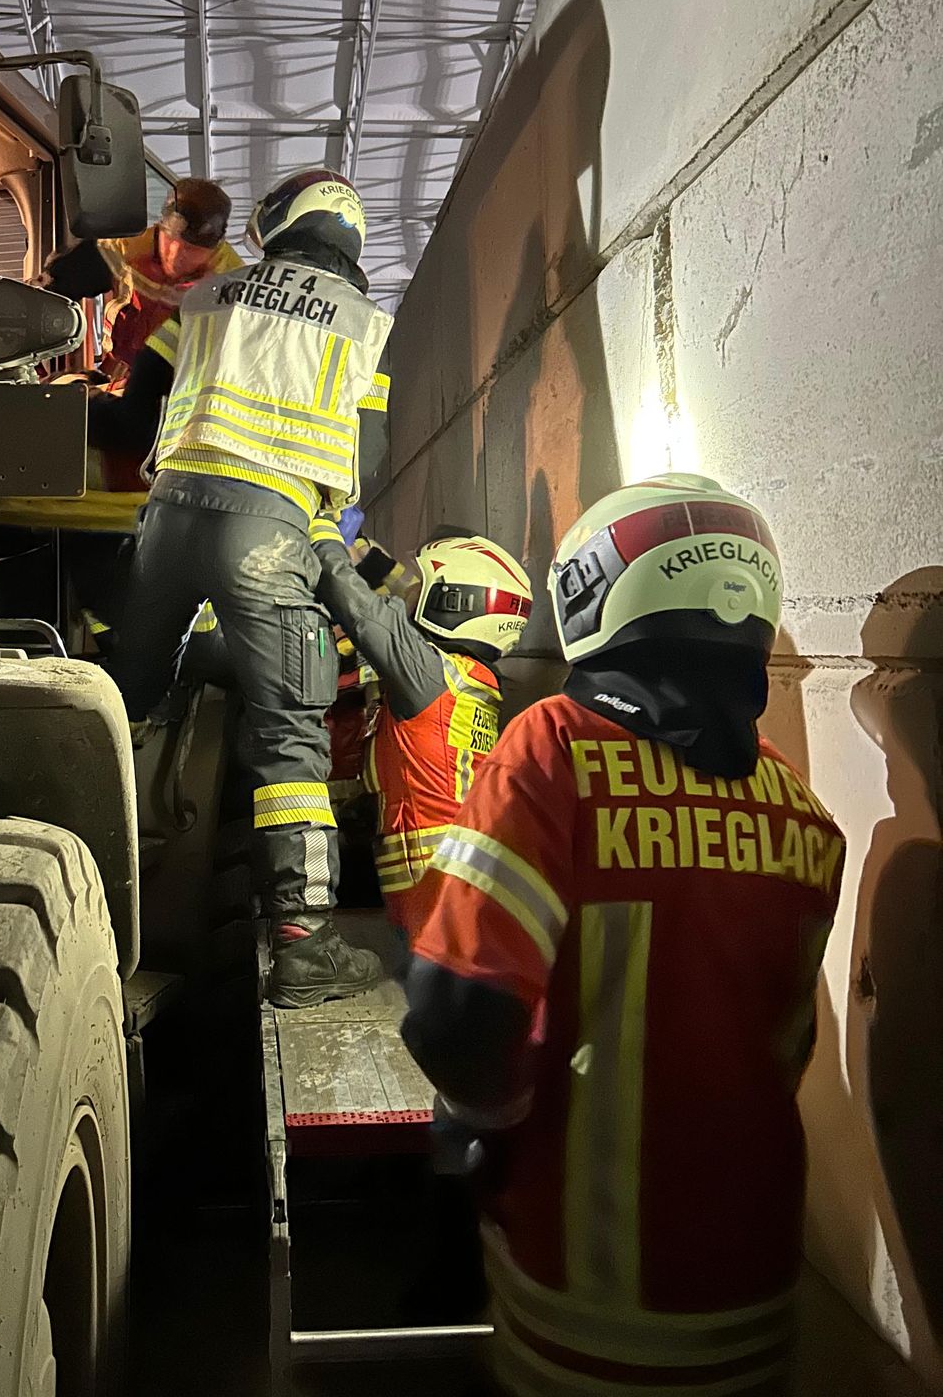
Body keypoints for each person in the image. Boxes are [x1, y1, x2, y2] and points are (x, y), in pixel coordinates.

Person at [400, 473, 845, 1396]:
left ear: (595, 594)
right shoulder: (803, 809)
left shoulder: (553, 750)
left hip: (589, 1303)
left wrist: (484, 1127)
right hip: (760, 1295)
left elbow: (456, 1016)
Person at [90, 168, 395, 1007]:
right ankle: (304, 948)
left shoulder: (205, 299)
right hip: (271, 532)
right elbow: (358, 466)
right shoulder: (368, 327)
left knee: (126, 699)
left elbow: (127, 417)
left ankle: (87, 901)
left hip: (171, 514)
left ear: (274, 225)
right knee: (289, 736)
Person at [307, 521, 532, 939]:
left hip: (436, 887)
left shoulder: (430, 676)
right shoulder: (464, 680)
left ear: (454, 601)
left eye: (421, 591)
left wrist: (321, 531)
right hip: (457, 884)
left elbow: (362, 610)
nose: (408, 600)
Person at [44, 178, 238, 390]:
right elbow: (63, 285)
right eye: (170, 240)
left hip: (184, 387)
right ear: (160, 228)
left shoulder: (232, 283)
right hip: (121, 373)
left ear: (215, 247)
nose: (175, 255)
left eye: (190, 250)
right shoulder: (127, 247)